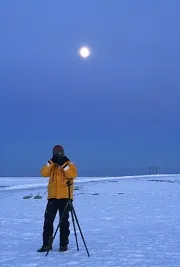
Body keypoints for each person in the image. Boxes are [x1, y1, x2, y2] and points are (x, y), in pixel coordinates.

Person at [37, 145, 77, 253]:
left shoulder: (69, 164)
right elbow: (43, 173)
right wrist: (51, 162)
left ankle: (63, 245)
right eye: (56, 153)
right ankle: (47, 245)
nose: (58, 154)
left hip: (65, 197)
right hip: (53, 198)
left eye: (59, 153)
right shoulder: (51, 165)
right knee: (48, 222)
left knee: (64, 223)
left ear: (63, 153)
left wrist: (64, 164)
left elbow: (72, 175)